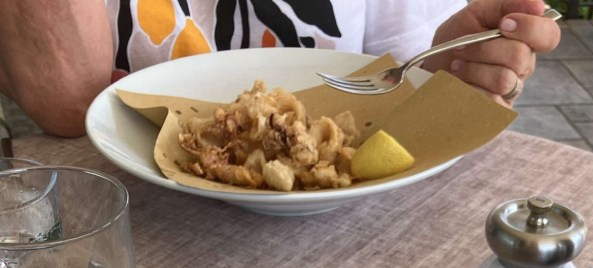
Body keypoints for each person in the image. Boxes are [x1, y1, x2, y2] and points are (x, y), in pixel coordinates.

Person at [0, 0, 561, 138]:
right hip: (130, 209)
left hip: (338, 229)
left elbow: (408, 80)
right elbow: (70, 106)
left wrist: (448, 74)